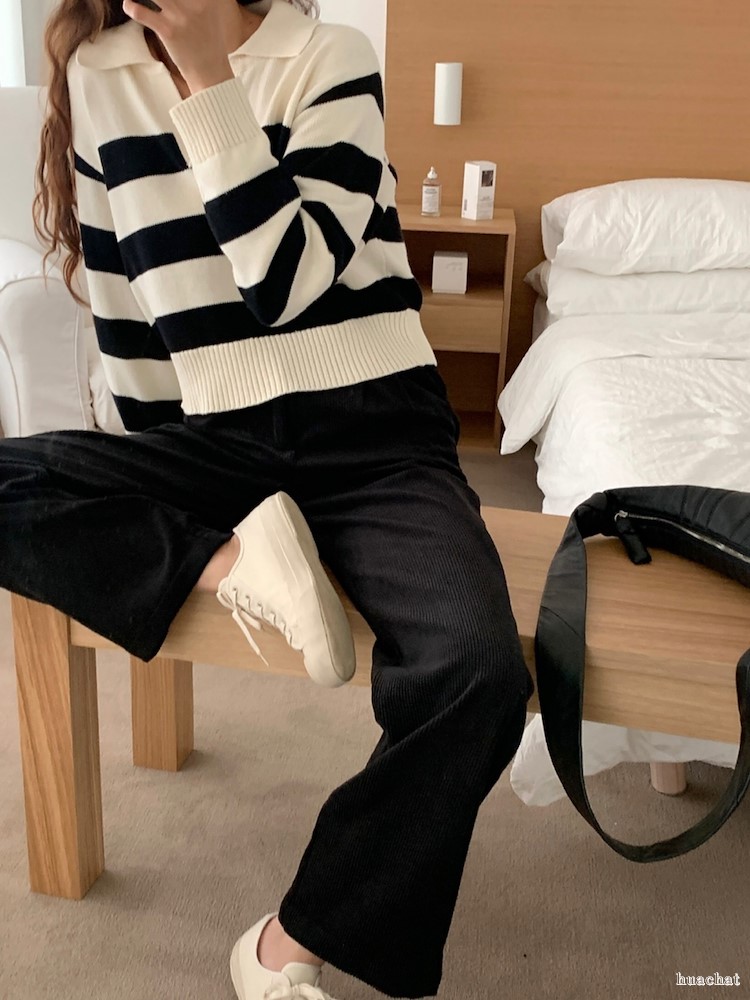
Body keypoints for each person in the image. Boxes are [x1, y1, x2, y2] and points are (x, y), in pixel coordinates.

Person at [20, 0, 535, 996]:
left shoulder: (329, 55)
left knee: (476, 672)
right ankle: (234, 560)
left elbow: (290, 281)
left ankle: (291, 943)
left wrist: (208, 77)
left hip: (370, 426)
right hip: (214, 436)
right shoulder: (98, 73)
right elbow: (127, 301)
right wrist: (170, 497)